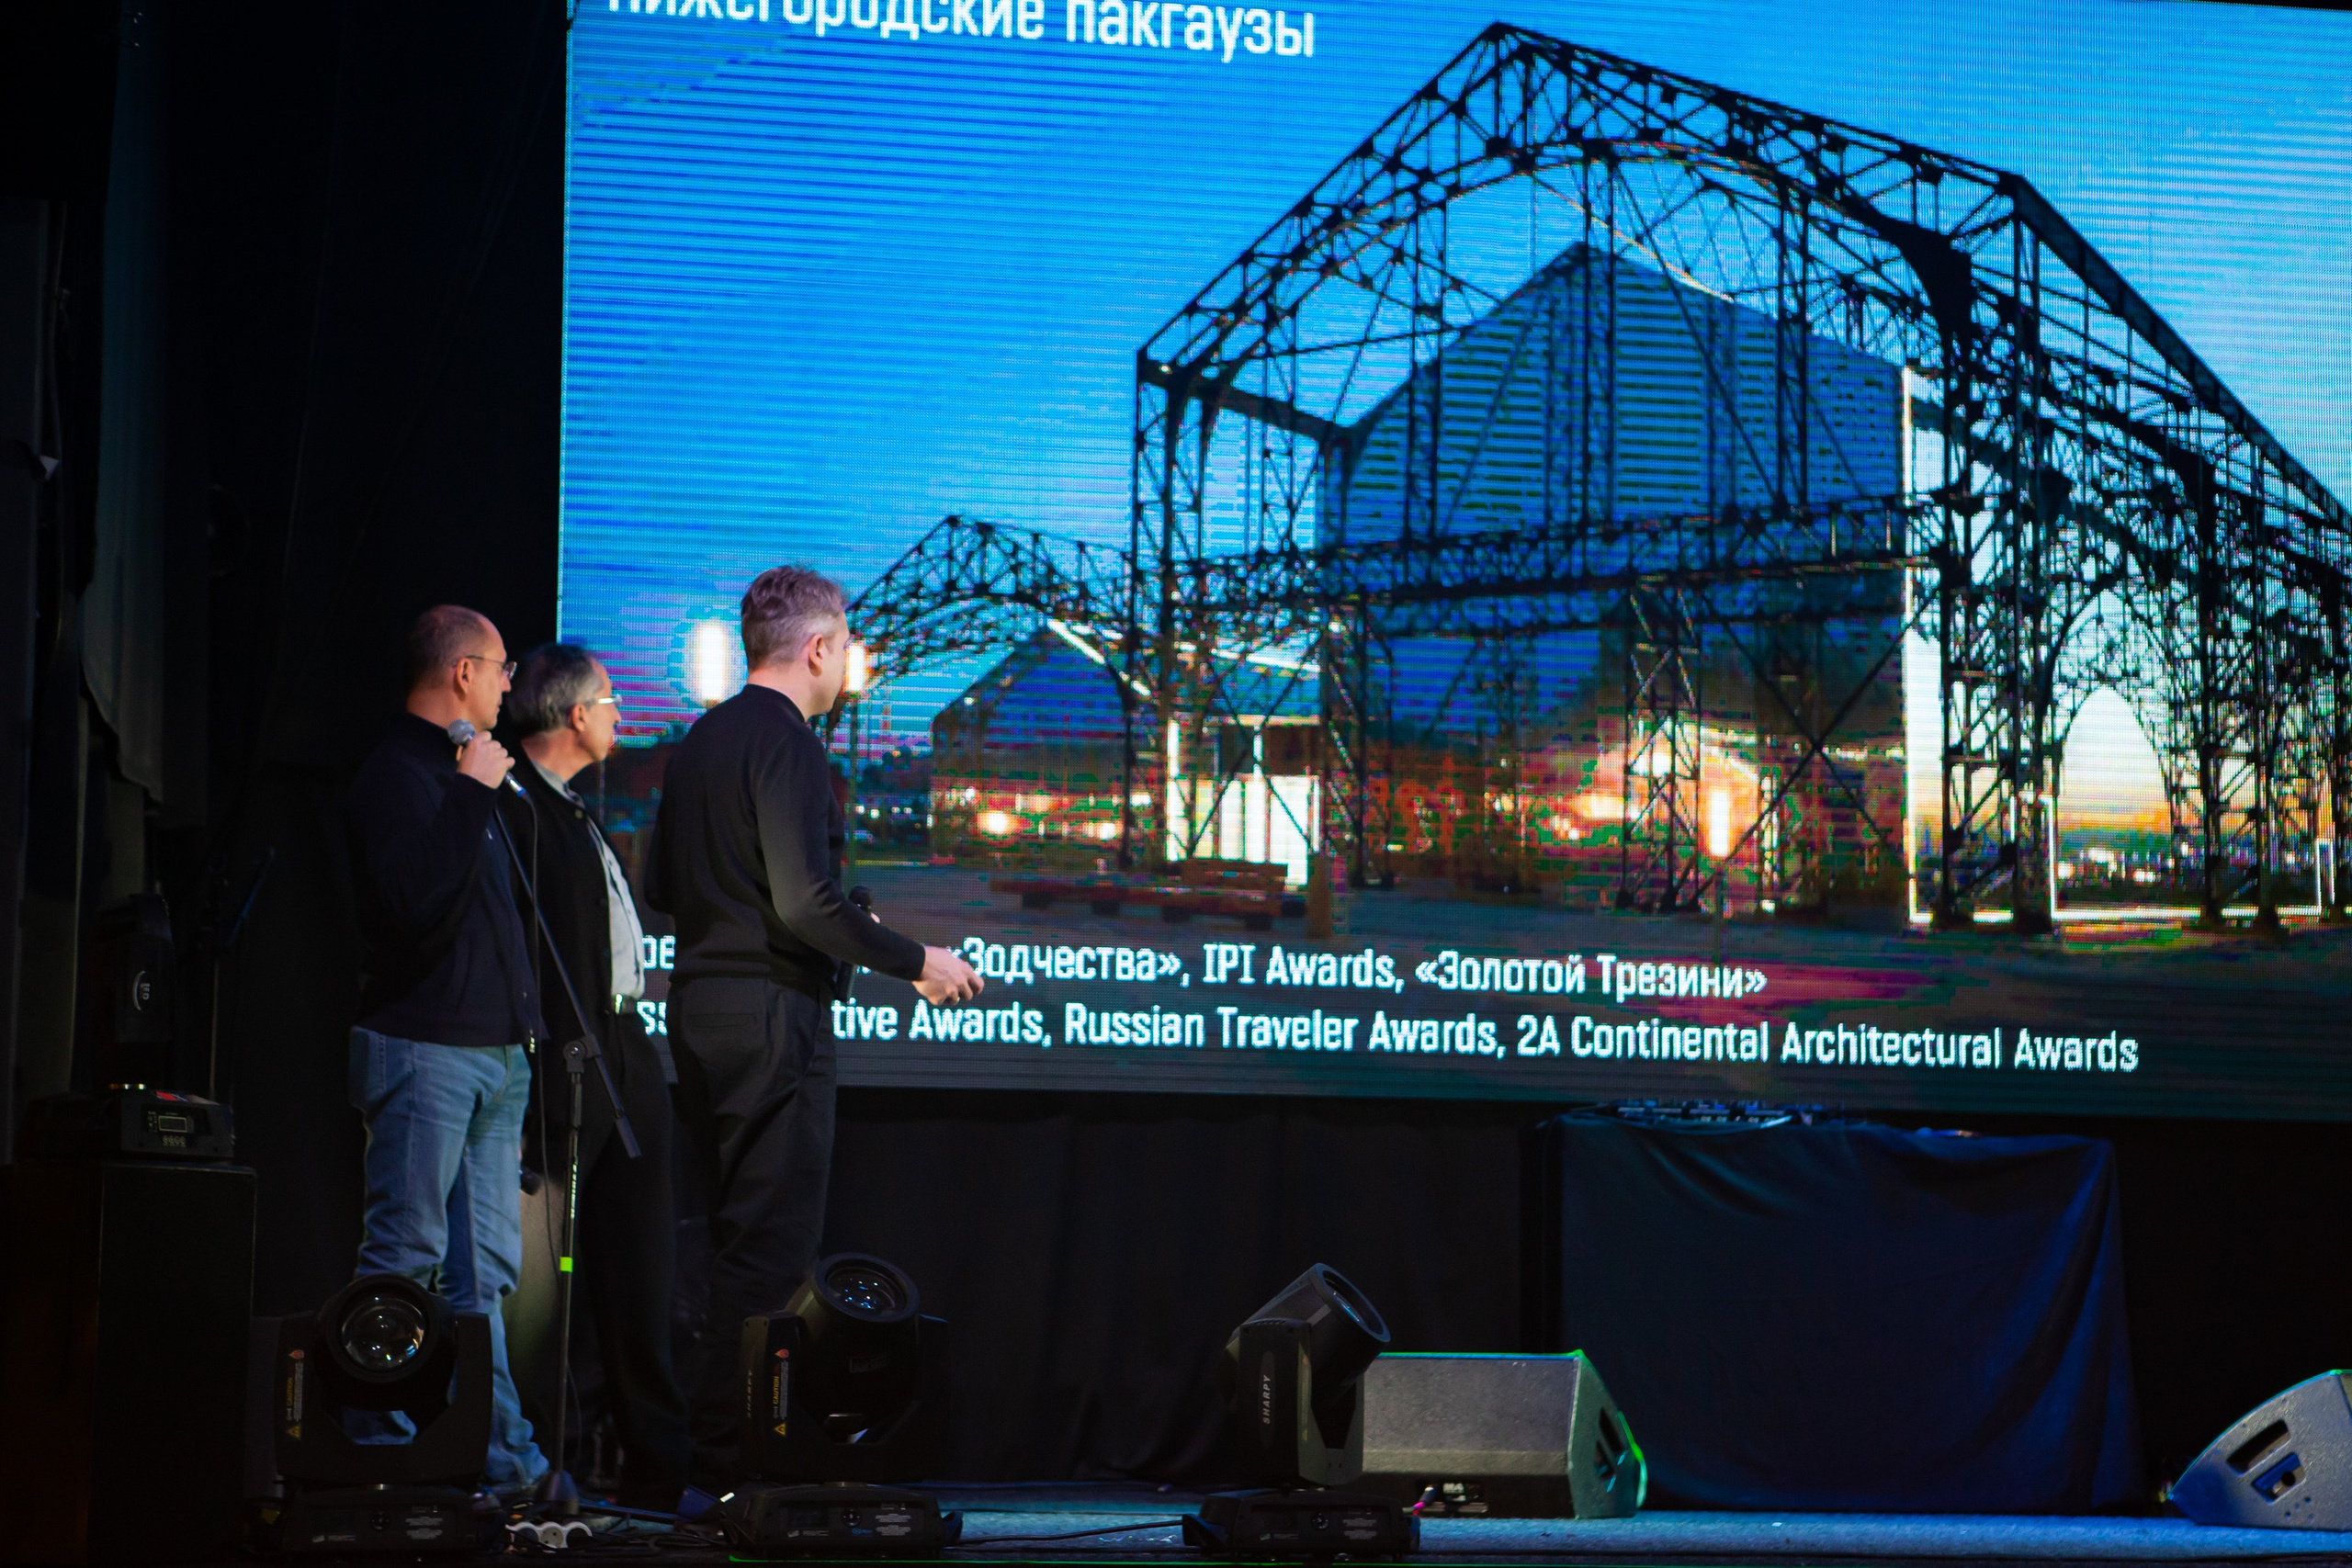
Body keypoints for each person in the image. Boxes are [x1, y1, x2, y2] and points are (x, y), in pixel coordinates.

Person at [646, 566, 983, 1503]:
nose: (849, 667)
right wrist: (917, 961)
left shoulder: (701, 740)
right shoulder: (790, 745)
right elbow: (805, 903)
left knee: (717, 1245)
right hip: (770, 1016)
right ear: (820, 648)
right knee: (768, 1255)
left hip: (699, 1007)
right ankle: (735, 1474)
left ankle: (702, 1463)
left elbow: (661, 890)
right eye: (848, 649)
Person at [344, 604, 548, 1492]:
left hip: (496, 1055)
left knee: (485, 1276)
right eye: (501, 667)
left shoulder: (479, 775)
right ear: (462, 671)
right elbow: (411, 902)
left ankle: (500, 1456)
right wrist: (469, 790)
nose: (511, 684)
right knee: (406, 1254)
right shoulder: (396, 774)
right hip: (424, 1047)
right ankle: (372, 1444)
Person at [500, 643, 692, 1507]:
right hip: (572, 1056)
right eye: (610, 701)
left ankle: (656, 1461)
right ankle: (546, 1459)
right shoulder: (519, 811)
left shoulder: (575, 811)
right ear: (575, 714)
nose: (621, 715)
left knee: (642, 1265)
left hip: (624, 1045)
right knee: (554, 1278)